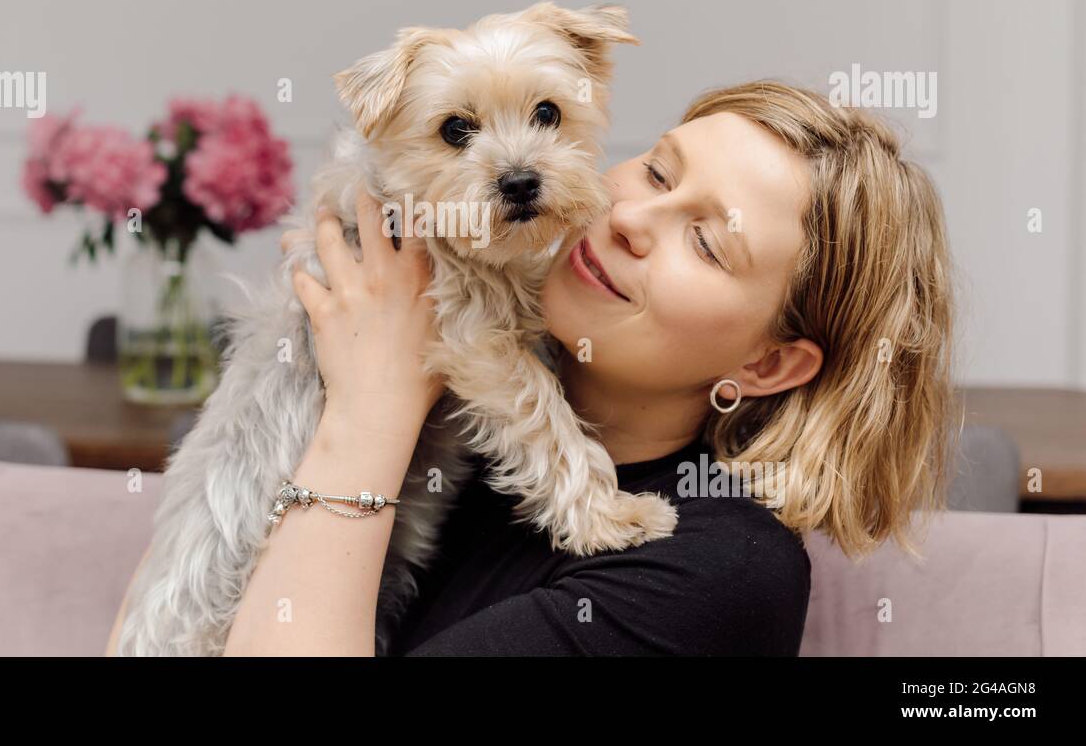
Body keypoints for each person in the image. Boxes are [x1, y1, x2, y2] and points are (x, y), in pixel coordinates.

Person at [107, 80, 959, 656]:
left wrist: (369, 414)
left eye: (705, 240)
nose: (631, 215)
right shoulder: (464, 386)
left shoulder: (715, 573)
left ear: (770, 362)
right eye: (657, 169)